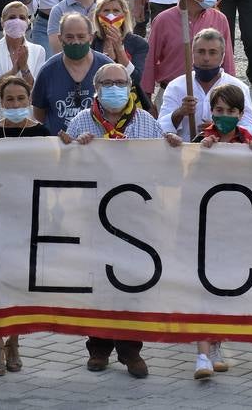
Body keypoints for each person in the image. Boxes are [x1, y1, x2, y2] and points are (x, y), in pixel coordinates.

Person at [58, 61, 181, 380]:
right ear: (96, 89)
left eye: (120, 82)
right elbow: (65, 171)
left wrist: (173, 149)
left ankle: (130, 349)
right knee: (99, 282)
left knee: (131, 284)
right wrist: (74, 150)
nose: (114, 88)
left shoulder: (147, 123)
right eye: (107, 83)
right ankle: (98, 347)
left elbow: (164, 170)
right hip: (94, 214)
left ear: (129, 87)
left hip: (135, 218)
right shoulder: (82, 121)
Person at [0, 75, 49, 374]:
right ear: (1, 102)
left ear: (29, 101)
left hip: (28, 216)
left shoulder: (43, 133)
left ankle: (15, 341)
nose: (16, 104)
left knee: (20, 280)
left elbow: (55, 169)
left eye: (21, 99)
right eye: (10, 99)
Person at [192, 81, 252, 380]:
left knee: (225, 290)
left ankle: (216, 346)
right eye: (218, 110)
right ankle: (202, 355)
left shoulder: (250, 143)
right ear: (211, 112)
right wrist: (198, 152)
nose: (224, 115)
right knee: (203, 290)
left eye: (230, 111)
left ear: (240, 113)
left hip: (237, 228)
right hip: (205, 226)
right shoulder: (200, 138)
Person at [141, 0, 235, 104]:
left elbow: (228, 61)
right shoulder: (163, 20)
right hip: (172, 96)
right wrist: (147, 101)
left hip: (212, 97)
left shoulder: (219, 19)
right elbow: (150, 61)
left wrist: (231, 94)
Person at [158, 29, 252, 141]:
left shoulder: (238, 87)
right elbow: (160, 128)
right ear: (192, 54)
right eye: (201, 52)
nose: (206, 58)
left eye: (212, 52)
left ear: (222, 56)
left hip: (223, 154)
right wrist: (180, 112)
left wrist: (221, 128)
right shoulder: (176, 86)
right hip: (184, 154)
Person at [32, 11, 111, 134]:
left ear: (90, 38)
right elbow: (39, 113)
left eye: (81, 36)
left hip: (98, 145)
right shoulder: (47, 71)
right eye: (69, 37)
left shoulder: (107, 67)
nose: (75, 42)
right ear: (60, 38)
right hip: (60, 147)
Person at [0, 1, 45, 135]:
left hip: (25, 117)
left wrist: (24, 68)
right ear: (2, 22)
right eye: (12, 17)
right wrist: (13, 71)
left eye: (22, 17)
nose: (17, 21)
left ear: (28, 22)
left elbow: (36, 90)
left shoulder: (38, 51)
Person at [92, 0, 149, 102]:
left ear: (124, 15)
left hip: (130, 100)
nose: (111, 16)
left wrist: (119, 49)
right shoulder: (93, 42)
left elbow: (135, 78)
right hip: (98, 99)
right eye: (106, 11)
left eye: (116, 11)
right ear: (98, 15)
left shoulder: (139, 44)